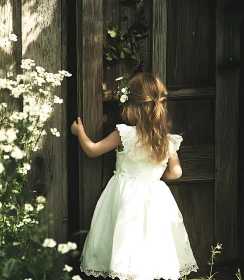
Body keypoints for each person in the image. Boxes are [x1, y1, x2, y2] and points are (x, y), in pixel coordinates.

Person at [71, 72, 198, 280]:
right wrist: (154, 178)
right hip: (155, 196)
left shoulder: (125, 134)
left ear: (133, 105)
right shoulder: (166, 140)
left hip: (125, 195)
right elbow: (176, 172)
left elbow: (93, 150)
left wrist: (80, 132)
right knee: (151, 240)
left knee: (126, 238)